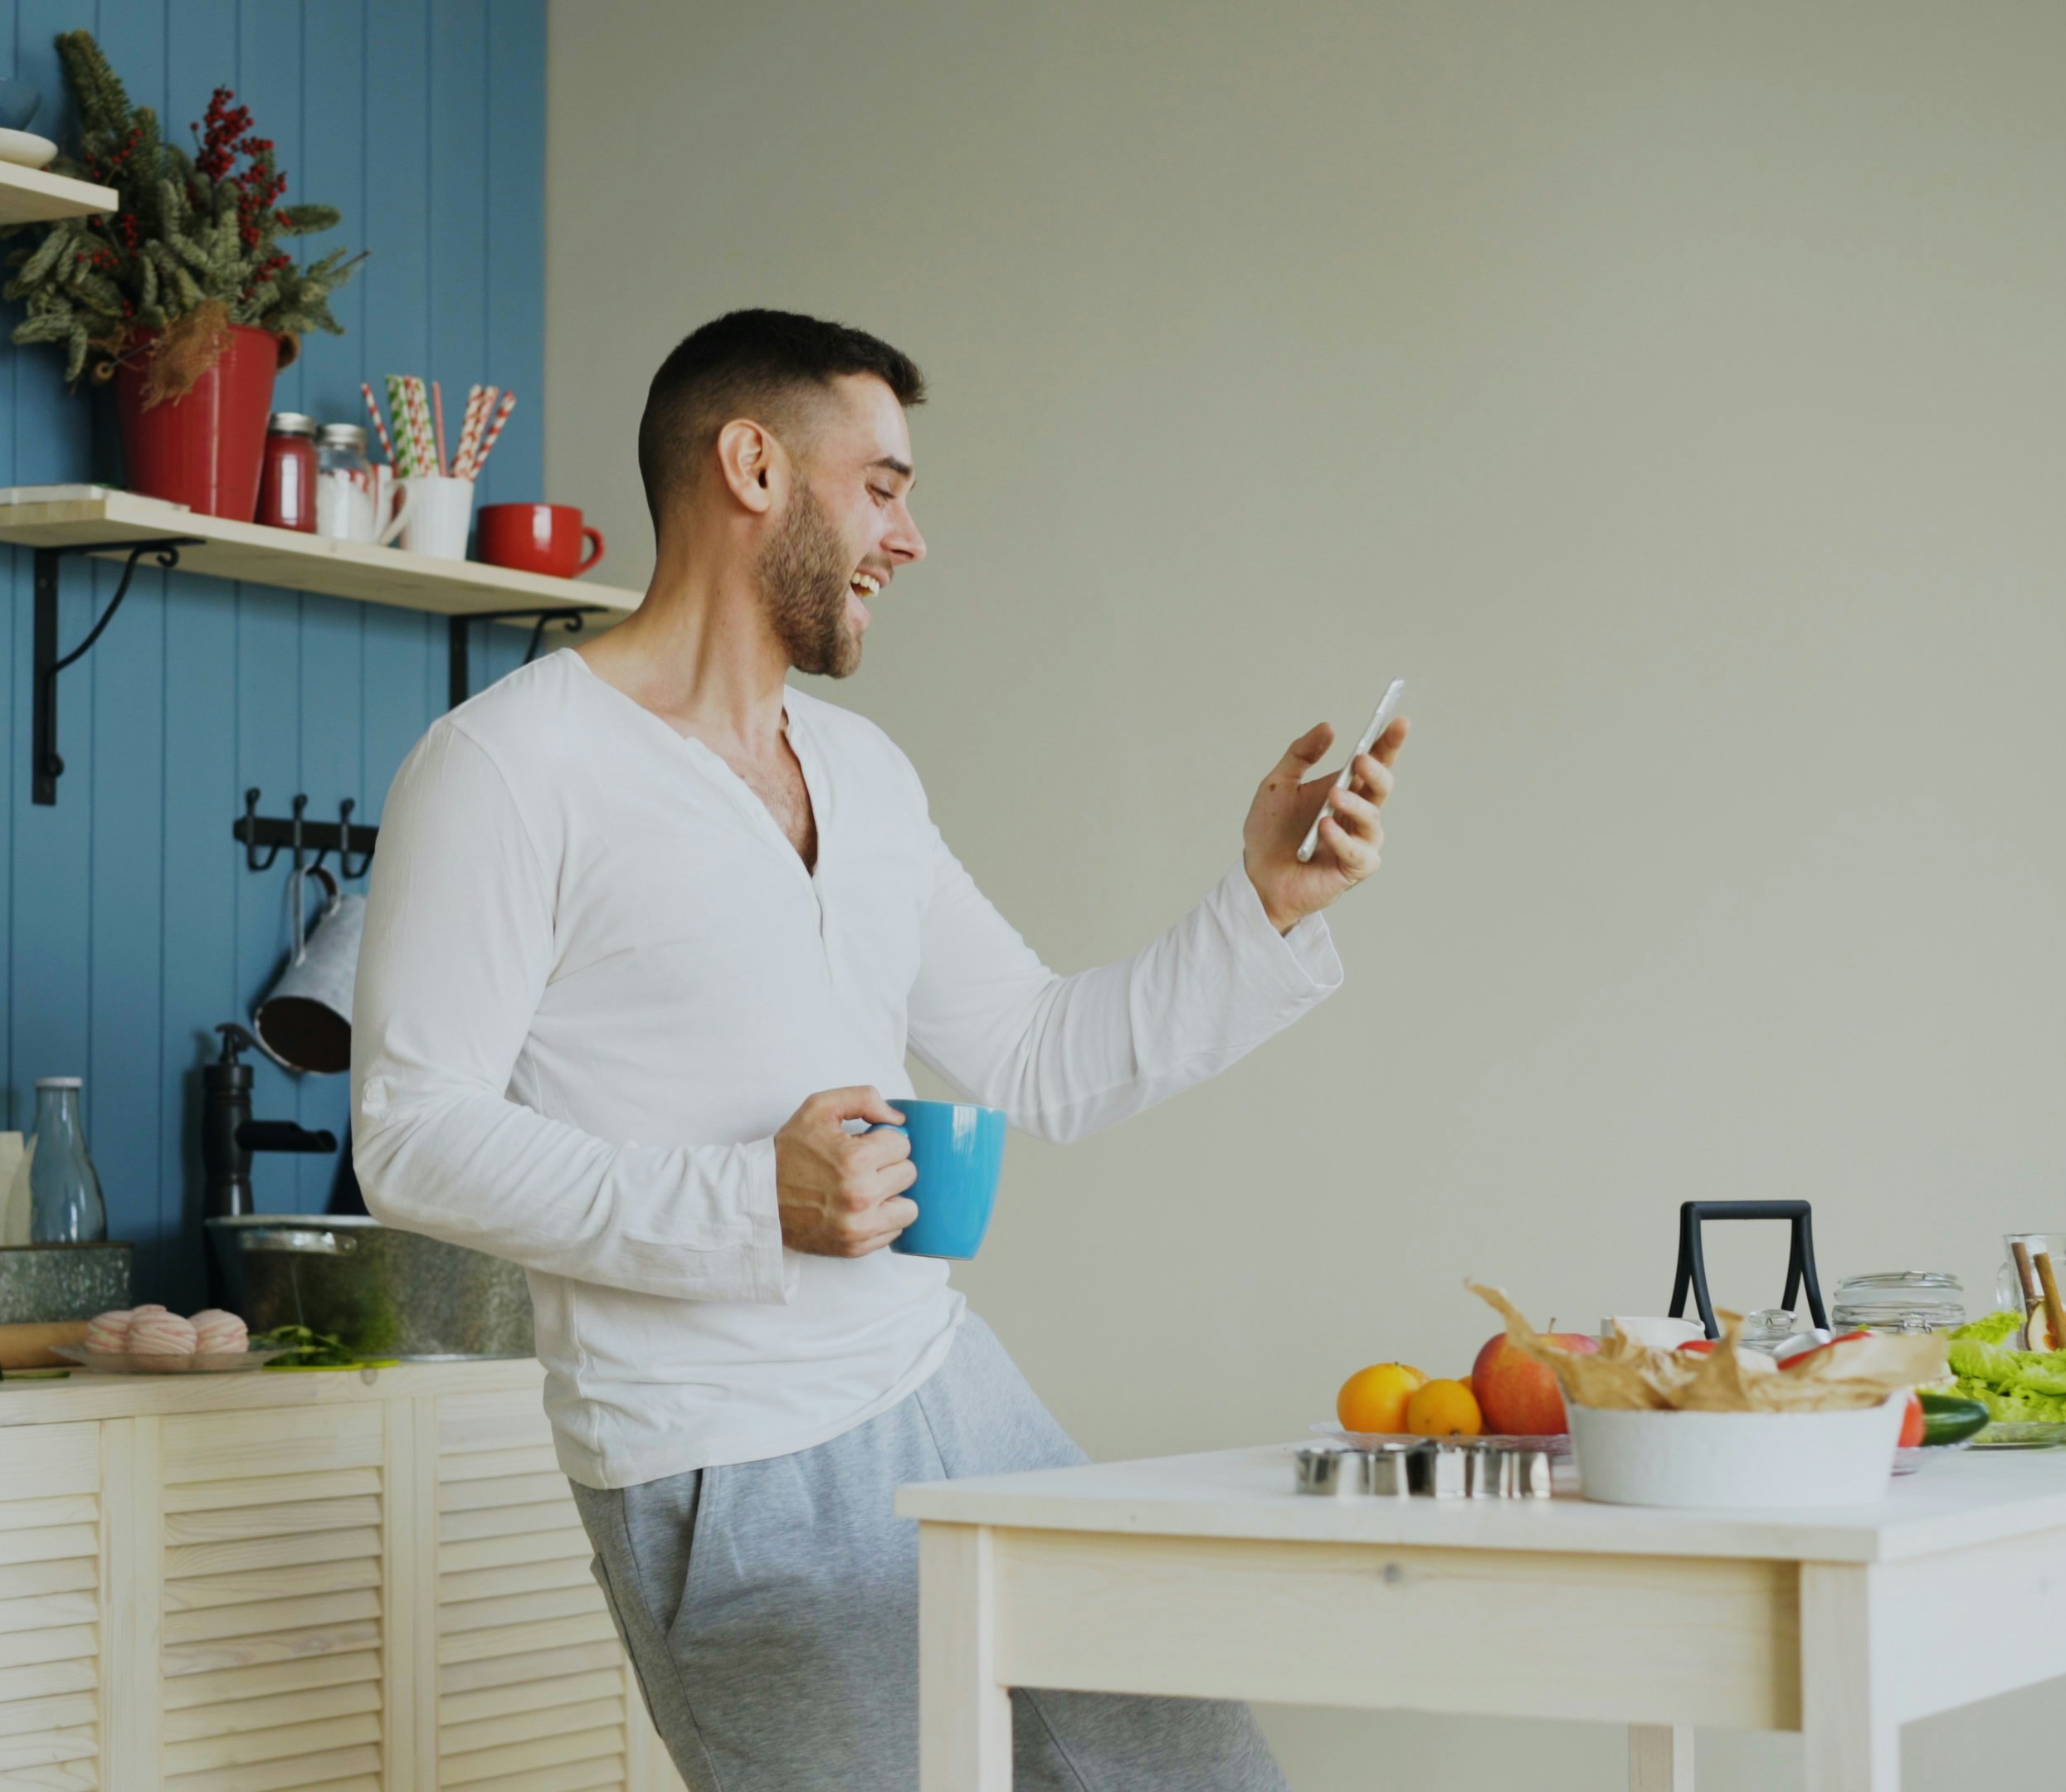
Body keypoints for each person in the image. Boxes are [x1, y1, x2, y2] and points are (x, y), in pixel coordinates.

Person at [351, 309, 1407, 1790]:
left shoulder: (864, 772)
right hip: (720, 1456)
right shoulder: (506, 768)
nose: (911, 538)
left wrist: (1266, 910)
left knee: (1200, 1771)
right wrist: (747, 1199)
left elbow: (1041, 1052)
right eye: (888, 484)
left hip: (949, 1391)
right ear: (753, 466)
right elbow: (410, 1133)